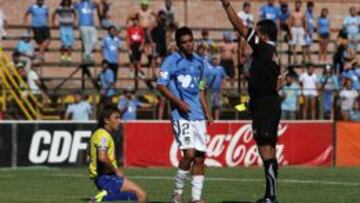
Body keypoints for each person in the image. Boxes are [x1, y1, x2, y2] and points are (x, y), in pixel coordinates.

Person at [220, 1, 281, 202]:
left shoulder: (263, 48)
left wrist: (227, 5)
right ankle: (270, 194)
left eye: (257, 31)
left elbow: (239, 26)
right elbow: (275, 84)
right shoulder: (274, 55)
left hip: (264, 105)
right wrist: (244, 104)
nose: (254, 34)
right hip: (267, 103)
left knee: (265, 149)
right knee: (269, 148)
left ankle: (271, 196)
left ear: (263, 35)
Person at [156, 26, 212, 203]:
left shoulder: (200, 62)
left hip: (198, 115)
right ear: (179, 45)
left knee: (200, 157)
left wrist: (207, 111)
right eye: (184, 43)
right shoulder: (171, 61)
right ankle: (177, 192)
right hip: (180, 115)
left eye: (190, 41)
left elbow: (200, 90)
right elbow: (161, 85)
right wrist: (178, 102)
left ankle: (195, 198)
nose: (188, 45)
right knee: (189, 154)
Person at [88, 105, 147, 202]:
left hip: (104, 176)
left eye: (120, 117)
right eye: (116, 118)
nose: (119, 121)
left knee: (134, 195)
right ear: (106, 120)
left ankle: (103, 197)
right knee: (141, 194)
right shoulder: (103, 135)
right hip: (105, 177)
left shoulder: (101, 133)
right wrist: (116, 170)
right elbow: (102, 157)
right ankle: (102, 198)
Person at [148, 10, 168, 78]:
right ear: (159, 16)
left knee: (164, 59)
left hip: (163, 44)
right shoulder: (155, 23)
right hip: (157, 44)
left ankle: (162, 74)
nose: (163, 16)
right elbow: (148, 32)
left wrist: (167, 44)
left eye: (164, 15)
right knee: (154, 58)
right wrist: (152, 42)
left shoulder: (164, 24)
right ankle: (153, 73)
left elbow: (165, 35)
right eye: (162, 15)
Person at [207, 55, 227, 120]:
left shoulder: (220, 68)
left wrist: (223, 88)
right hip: (209, 91)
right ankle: (209, 118)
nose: (214, 60)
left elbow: (223, 78)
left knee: (217, 106)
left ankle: (217, 119)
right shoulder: (208, 68)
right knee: (209, 105)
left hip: (217, 91)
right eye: (213, 59)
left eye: (216, 59)